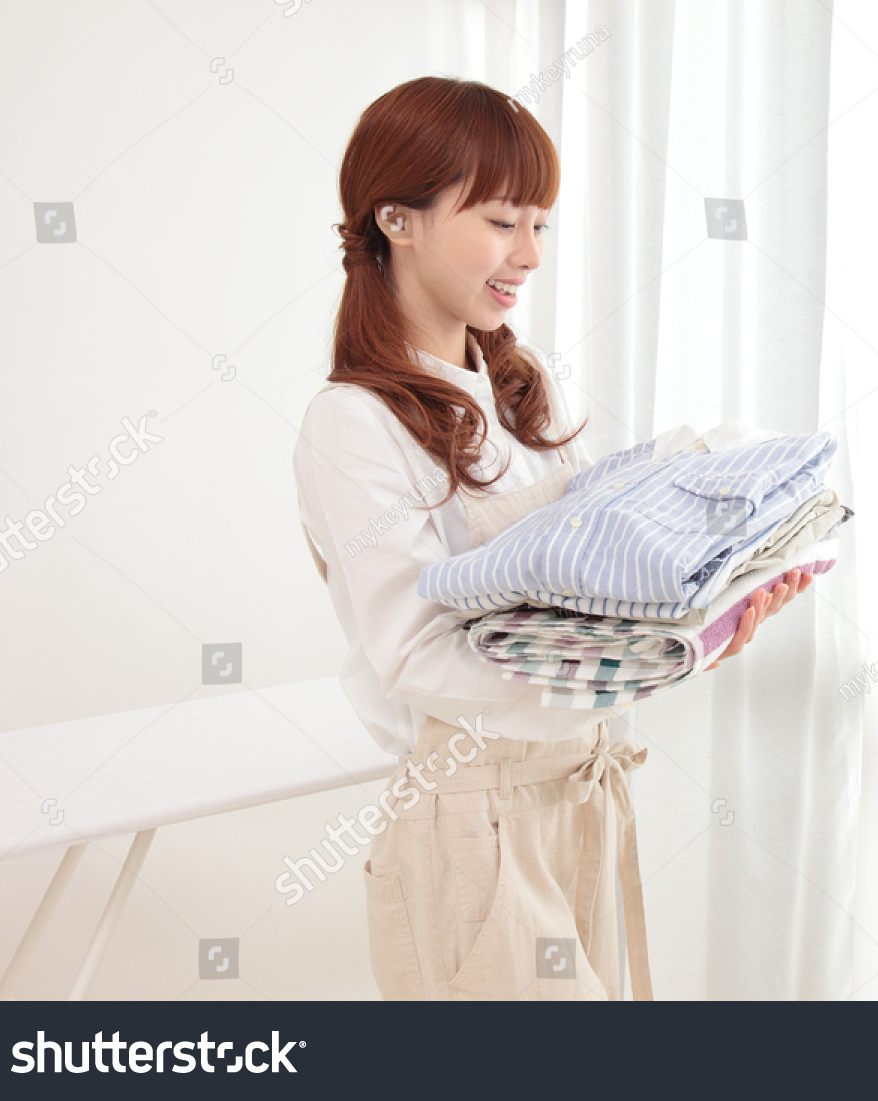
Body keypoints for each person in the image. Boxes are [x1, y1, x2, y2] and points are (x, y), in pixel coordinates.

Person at [292, 77, 812, 1001]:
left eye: (542, 222)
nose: (530, 253)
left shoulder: (523, 392)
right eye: (501, 220)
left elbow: (580, 596)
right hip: (472, 821)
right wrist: (635, 662)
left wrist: (695, 631)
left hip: (580, 793)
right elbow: (419, 657)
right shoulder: (352, 424)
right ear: (396, 220)